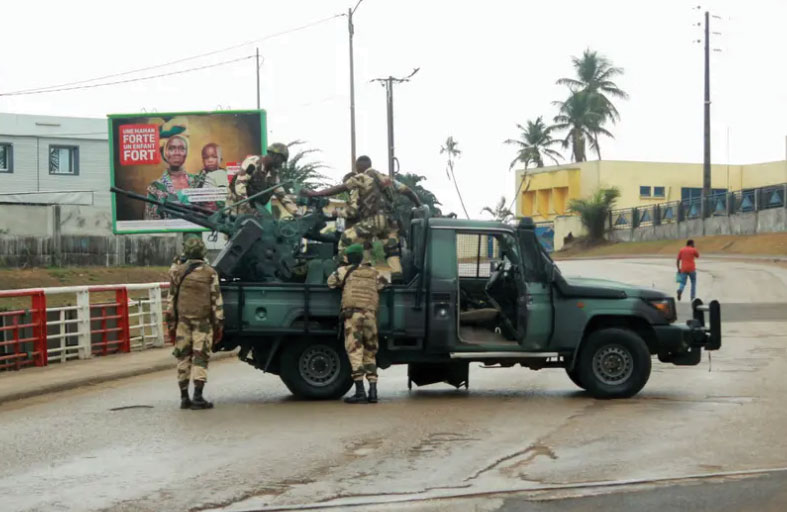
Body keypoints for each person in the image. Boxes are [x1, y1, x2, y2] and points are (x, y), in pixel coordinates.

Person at [302, 155, 422, 281]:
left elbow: (340, 188)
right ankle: (397, 275)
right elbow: (408, 191)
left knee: (345, 238)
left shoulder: (362, 177)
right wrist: (419, 205)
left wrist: (315, 193)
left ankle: (343, 270)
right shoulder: (387, 179)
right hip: (390, 222)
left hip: (374, 219)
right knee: (391, 250)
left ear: (359, 167)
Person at [166, 237, 224, 409]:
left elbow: (171, 301)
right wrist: (219, 324)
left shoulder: (177, 271)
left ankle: (184, 397)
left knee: (183, 358)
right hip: (203, 323)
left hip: (182, 322)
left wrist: (170, 324)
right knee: (200, 358)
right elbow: (216, 301)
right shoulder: (210, 273)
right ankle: (198, 397)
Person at [327, 244, 389, 404]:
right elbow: (384, 285)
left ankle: (360, 392)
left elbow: (330, 282)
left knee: (355, 351)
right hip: (370, 316)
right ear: (362, 257)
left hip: (353, 316)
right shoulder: (374, 272)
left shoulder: (344, 271)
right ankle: (373, 392)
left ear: (348, 258)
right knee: (370, 352)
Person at [144, 135, 199, 220]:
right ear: (165, 153)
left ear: (186, 153)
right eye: (172, 148)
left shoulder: (197, 181)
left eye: (181, 148)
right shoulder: (155, 187)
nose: (177, 152)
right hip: (168, 233)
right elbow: (150, 221)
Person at [246, 142, 299, 217]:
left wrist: (296, 213)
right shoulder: (253, 162)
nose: (281, 164)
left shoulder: (273, 175)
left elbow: (282, 196)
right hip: (236, 210)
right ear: (275, 155)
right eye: (281, 160)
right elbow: (239, 187)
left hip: (253, 214)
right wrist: (249, 210)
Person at [195, 143, 229, 211]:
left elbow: (225, 195)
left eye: (214, 157)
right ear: (202, 160)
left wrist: (217, 203)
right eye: (206, 158)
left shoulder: (223, 175)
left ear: (220, 160)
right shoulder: (199, 175)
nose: (210, 160)